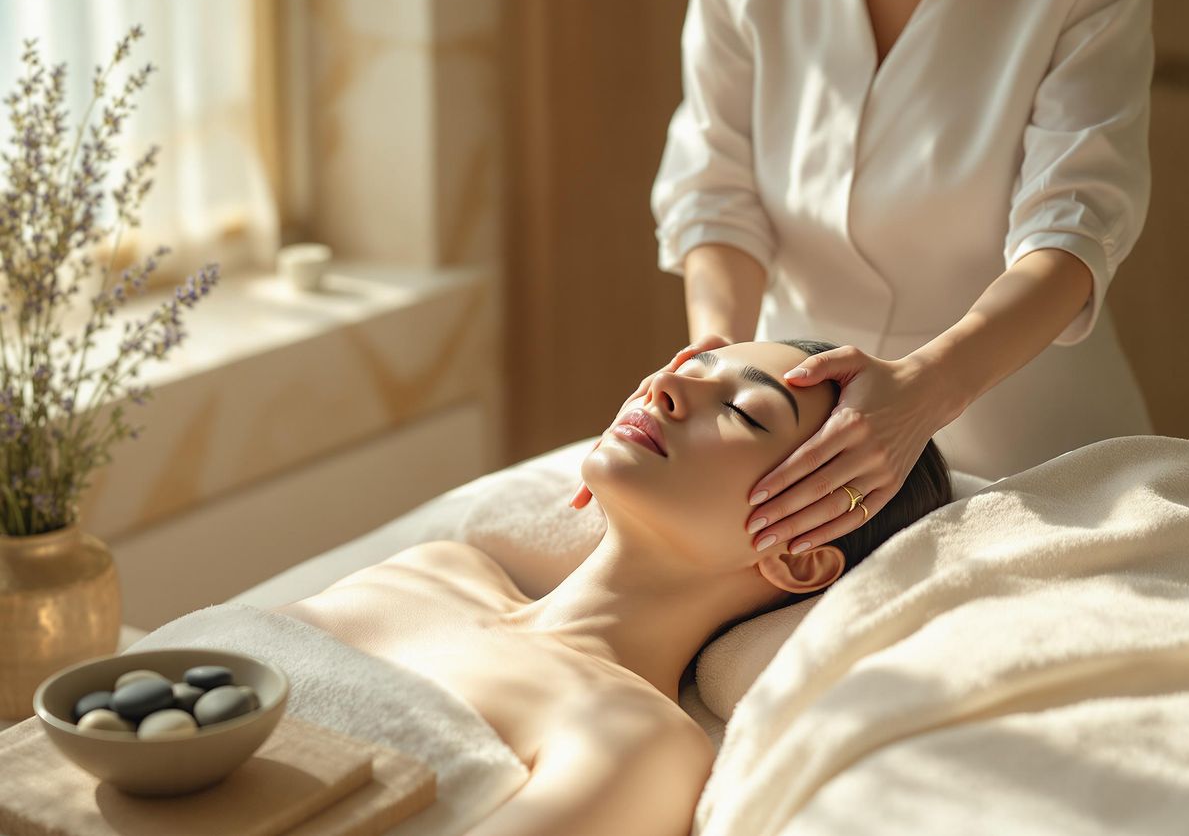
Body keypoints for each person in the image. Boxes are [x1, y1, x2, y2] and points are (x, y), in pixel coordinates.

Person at [275, 339, 953, 836]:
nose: (663, 387)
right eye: (689, 368)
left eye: (745, 411)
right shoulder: (433, 572)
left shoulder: (637, 746)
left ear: (801, 557)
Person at [627, 0, 1156, 570]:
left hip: (1029, 445)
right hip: (793, 453)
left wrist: (923, 394)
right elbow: (716, 191)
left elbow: (1070, 230)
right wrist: (720, 371)